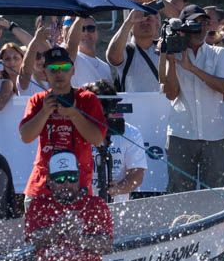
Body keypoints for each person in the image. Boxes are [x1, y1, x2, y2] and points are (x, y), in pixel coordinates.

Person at [0, 152, 113, 261]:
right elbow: (35, 239)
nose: (66, 184)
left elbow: (106, 245)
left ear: (78, 178)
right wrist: (58, 229)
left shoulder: (95, 205)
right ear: (50, 182)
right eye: (60, 179)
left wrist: (80, 239)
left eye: (71, 177)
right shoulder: (39, 206)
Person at [159, 5, 224, 192]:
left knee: (218, 193)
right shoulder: (173, 52)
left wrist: (192, 68)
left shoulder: (219, 53)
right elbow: (171, 94)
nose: (200, 29)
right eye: (195, 24)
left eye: (204, 24)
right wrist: (170, 61)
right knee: (180, 194)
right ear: (183, 27)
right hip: (181, 135)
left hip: (214, 135)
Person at [19, 46, 108, 198]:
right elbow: (26, 137)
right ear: (45, 73)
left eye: (65, 67)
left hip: (78, 185)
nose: (59, 73)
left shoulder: (87, 99)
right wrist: (44, 112)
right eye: (53, 69)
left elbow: (97, 139)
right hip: (42, 186)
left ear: (73, 70)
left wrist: (73, 114)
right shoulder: (38, 100)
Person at [84, 80, 147, 204]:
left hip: (117, 205)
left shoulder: (130, 133)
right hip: (82, 202)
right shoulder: (76, 130)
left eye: (109, 106)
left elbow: (137, 174)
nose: (106, 112)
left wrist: (118, 189)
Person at [107, 0, 162, 93]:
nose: (145, 21)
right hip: (133, 104)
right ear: (131, 26)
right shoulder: (128, 51)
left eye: (149, 18)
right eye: (140, 19)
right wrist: (129, 21)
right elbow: (113, 57)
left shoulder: (164, 50)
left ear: (157, 24)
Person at [65, 14, 114, 87]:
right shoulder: (73, 59)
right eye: (82, 29)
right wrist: (80, 16)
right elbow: (71, 44)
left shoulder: (106, 67)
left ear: (97, 32)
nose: (86, 33)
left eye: (90, 28)